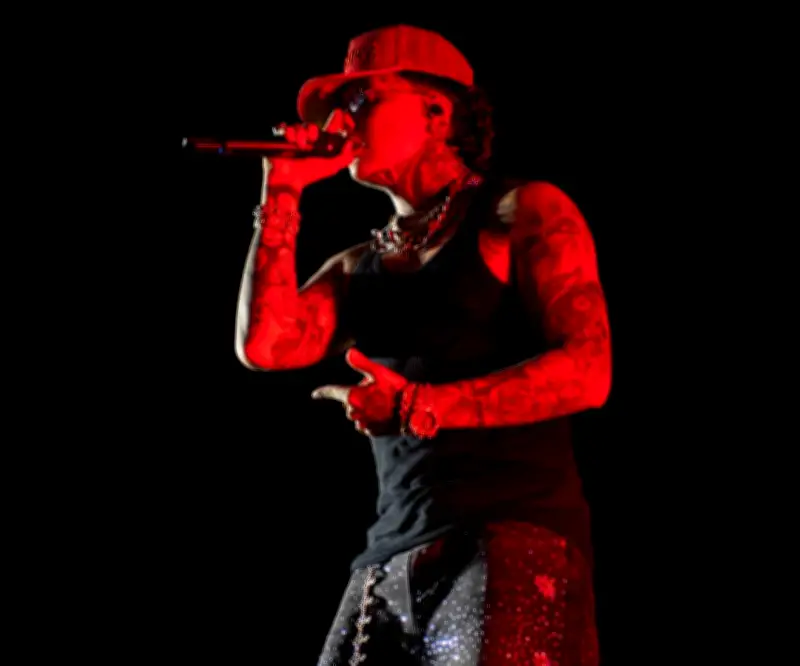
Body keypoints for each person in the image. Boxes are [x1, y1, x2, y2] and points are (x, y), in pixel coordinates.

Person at [234, 24, 611, 666]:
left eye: (363, 100)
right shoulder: (357, 265)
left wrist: (422, 406)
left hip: (512, 538)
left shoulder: (520, 213)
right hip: (390, 553)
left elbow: (589, 370)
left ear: (436, 112)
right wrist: (283, 193)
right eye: (340, 106)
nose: (343, 121)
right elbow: (266, 345)